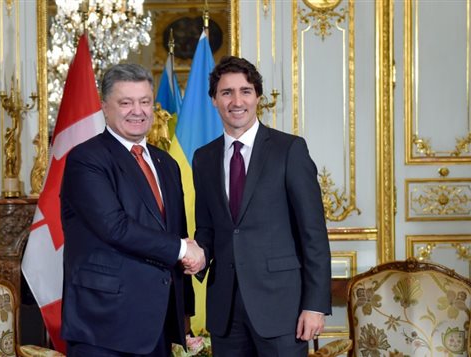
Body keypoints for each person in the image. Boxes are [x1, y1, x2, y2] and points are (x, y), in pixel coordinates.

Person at [186, 56, 331, 356]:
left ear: (258, 97)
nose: (236, 101)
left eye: (245, 91)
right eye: (226, 92)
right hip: (225, 310)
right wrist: (197, 254)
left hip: (282, 309)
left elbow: (313, 233)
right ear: (214, 99)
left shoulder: (289, 150)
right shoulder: (203, 158)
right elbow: (208, 228)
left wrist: (315, 305)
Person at [60, 63, 203, 357]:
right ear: (105, 108)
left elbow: (178, 232)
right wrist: (182, 249)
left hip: (159, 325)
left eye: (144, 102)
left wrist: (184, 314)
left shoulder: (167, 164)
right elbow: (115, 227)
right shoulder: (86, 159)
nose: (137, 111)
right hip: (104, 326)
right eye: (125, 102)